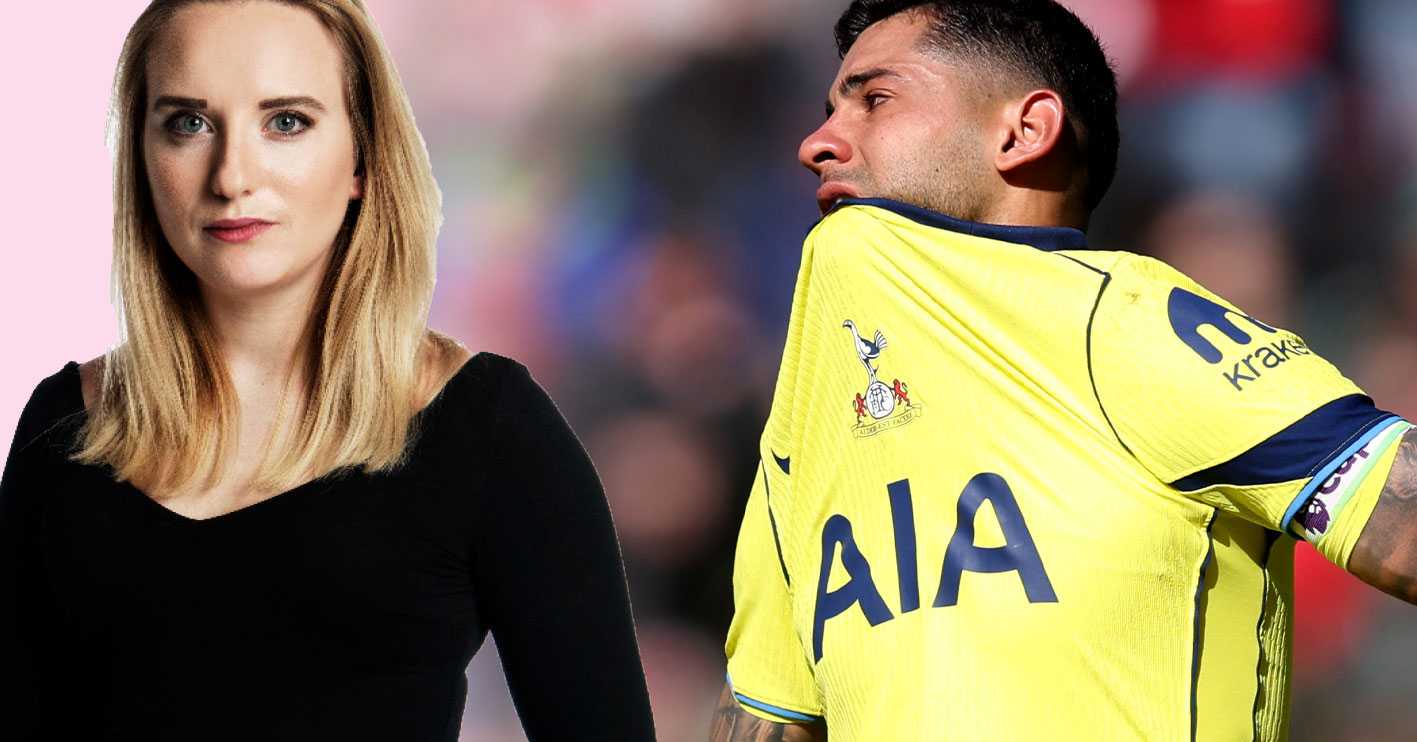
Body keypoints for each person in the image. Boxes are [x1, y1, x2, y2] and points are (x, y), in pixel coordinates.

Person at [712, 1, 1417, 740]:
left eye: (875, 99)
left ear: (1024, 130)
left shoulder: (1123, 324)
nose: (817, 143)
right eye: (830, 110)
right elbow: (766, 714)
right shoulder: (804, 427)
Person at [0, 1, 655, 740]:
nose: (232, 176)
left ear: (361, 159)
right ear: (142, 157)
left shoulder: (491, 430)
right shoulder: (64, 427)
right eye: (188, 122)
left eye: (286, 122)